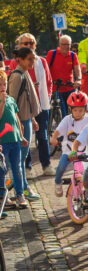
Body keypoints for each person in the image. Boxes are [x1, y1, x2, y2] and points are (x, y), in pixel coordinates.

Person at [15, 33, 56, 178]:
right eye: (25, 43)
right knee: (26, 136)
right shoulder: (17, 63)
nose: (28, 46)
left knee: (43, 135)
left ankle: (46, 165)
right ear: (19, 45)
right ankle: (27, 168)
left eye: (31, 43)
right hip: (24, 106)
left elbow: (49, 81)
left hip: (41, 104)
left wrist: (48, 96)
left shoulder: (42, 61)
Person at [8, 47, 41, 200]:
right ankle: (22, 190)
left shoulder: (25, 73)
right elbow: (12, 103)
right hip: (20, 122)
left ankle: (21, 188)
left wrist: (33, 119)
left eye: (33, 59)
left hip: (27, 119)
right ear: (20, 60)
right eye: (29, 59)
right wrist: (19, 125)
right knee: (19, 159)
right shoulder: (17, 76)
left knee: (22, 157)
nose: (32, 62)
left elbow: (26, 99)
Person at [50, 91, 88, 197]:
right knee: (61, 167)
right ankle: (58, 182)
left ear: (85, 109)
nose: (78, 112)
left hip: (85, 151)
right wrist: (54, 138)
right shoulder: (67, 120)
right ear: (70, 109)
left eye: (81, 110)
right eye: (75, 110)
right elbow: (58, 131)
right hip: (69, 151)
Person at [0, 70, 29, 207]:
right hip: (2, 142)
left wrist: (21, 135)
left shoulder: (11, 99)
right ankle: (2, 196)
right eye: (0, 84)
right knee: (2, 169)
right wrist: (2, 102)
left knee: (17, 168)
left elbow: (16, 119)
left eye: (4, 84)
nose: (3, 87)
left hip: (14, 140)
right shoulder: (3, 100)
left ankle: (20, 194)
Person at [46, 34, 82, 118]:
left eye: (68, 44)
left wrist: (79, 79)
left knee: (75, 110)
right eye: (64, 44)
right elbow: (46, 69)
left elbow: (77, 69)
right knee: (63, 112)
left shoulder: (73, 55)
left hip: (70, 87)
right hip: (56, 88)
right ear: (59, 44)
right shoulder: (52, 54)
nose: (66, 47)